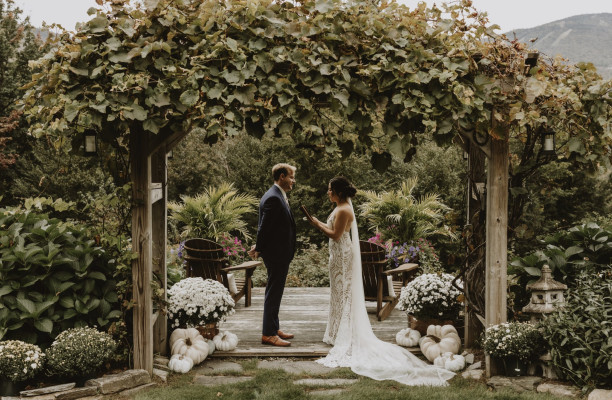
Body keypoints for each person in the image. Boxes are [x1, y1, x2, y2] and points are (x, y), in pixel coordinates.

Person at [308, 176, 454, 386]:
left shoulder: (343, 210)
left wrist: (317, 225)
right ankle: (335, 333)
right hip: (337, 258)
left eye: (330, 189)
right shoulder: (339, 207)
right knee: (337, 295)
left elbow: (336, 235)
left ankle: (344, 334)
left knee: (344, 295)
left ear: (339, 192)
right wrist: (318, 222)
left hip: (342, 258)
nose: (327, 192)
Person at [248, 163, 297, 347]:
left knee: (276, 292)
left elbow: (272, 226)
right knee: (273, 292)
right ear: (282, 176)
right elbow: (264, 227)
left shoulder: (277, 195)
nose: (293, 181)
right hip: (277, 254)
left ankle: (273, 327)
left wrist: (260, 246)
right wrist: (259, 247)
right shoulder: (273, 198)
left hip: (280, 252)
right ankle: (268, 334)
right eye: (291, 177)